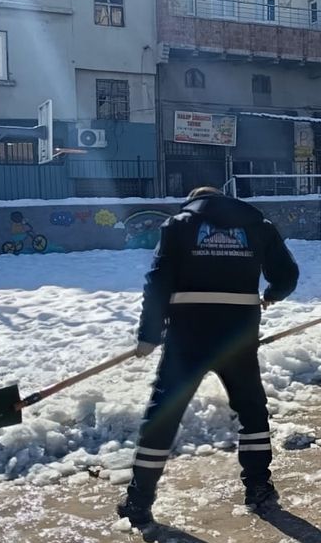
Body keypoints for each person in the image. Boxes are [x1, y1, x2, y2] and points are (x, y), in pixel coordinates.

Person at [118, 187, 299, 525]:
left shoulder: (179, 224)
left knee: (163, 415)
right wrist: (272, 294)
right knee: (252, 412)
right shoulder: (259, 225)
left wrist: (148, 334)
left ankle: (139, 501)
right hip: (238, 337)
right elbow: (287, 275)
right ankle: (258, 488)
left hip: (189, 336)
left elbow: (157, 282)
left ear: (193, 202)